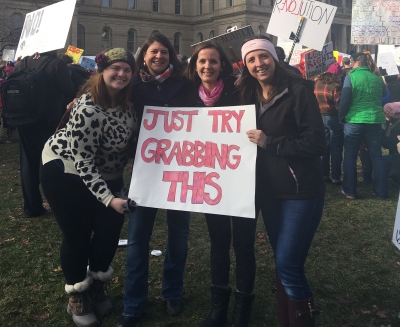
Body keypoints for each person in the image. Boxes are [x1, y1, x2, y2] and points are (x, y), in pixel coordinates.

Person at [40, 48, 138, 327]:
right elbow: (83, 162)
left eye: (127, 69)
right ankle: (77, 296)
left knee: (109, 232)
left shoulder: (129, 102)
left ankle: (96, 285)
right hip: (66, 172)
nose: (121, 74)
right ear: (102, 72)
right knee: (78, 234)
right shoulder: (88, 109)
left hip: (109, 172)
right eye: (115, 68)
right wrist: (108, 199)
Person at [240, 37, 326, 327]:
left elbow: (316, 142)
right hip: (268, 192)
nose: (258, 64)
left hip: (300, 192)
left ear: (274, 58)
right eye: (251, 60)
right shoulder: (248, 95)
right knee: (284, 261)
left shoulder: (298, 92)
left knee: (288, 264)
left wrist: (270, 143)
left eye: (263, 57)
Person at [118, 33, 191, 327]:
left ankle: (172, 291)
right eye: (152, 52)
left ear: (170, 55)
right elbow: (105, 97)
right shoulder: (131, 86)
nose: (158, 56)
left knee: (179, 234)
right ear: (143, 56)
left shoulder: (186, 85)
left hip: (181, 169)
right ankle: (133, 304)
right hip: (145, 170)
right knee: (137, 237)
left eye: (163, 51)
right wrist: (78, 100)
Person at [185, 42, 257, 327]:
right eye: (202, 61)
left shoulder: (240, 92)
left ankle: (242, 310)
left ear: (222, 66)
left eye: (213, 62)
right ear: (195, 65)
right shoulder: (188, 96)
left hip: (240, 181)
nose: (207, 67)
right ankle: (218, 309)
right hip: (209, 183)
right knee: (218, 243)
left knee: (243, 245)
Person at [13, 50, 75, 217]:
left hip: (24, 119)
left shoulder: (22, 62)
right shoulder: (57, 64)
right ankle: (58, 204)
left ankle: (32, 206)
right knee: (53, 162)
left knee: (28, 163)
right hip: (49, 120)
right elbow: (68, 90)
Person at [338, 52, 388, 200]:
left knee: (350, 156)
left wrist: (342, 117)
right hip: (374, 120)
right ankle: (381, 192)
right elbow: (384, 93)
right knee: (376, 156)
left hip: (354, 119)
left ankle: (350, 191)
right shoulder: (377, 78)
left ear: (357, 63)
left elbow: (345, 100)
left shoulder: (351, 77)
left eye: (352, 62)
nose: (351, 65)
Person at [313, 62, 344, 184]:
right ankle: (336, 176)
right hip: (334, 118)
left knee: (324, 147)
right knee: (336, 148)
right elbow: (339, 105)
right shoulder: (336, 86)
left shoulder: (317, 84)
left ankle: (324, 174)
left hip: (320, 117)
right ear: (336, 75)